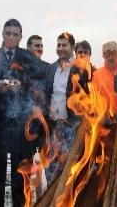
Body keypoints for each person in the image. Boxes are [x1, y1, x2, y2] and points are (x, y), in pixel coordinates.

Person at [0, 18, 40, 207]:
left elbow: (37, 85)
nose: (11, 37)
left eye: (15, 34)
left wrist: (22, 86)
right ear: (2, 34)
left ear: (21, 37)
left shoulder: (28, 57)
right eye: (8, 33)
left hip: (21, 124)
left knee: (20, 176)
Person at [43, 32, 80, 181]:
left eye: (64, 45)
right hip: (53, 127)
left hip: (72, 127)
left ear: (72, 47)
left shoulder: (80, 68)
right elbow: (47, 94)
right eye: (58, 45)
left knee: (70, 168)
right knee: (51, 168)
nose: (60, 48)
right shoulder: (51, 68)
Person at [92, 42, 117, 118]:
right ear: (103, 56)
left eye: (113, 53)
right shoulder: (97, 75)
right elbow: (95, 100)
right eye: (107, 55)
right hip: (107, 119)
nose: (110, 57)